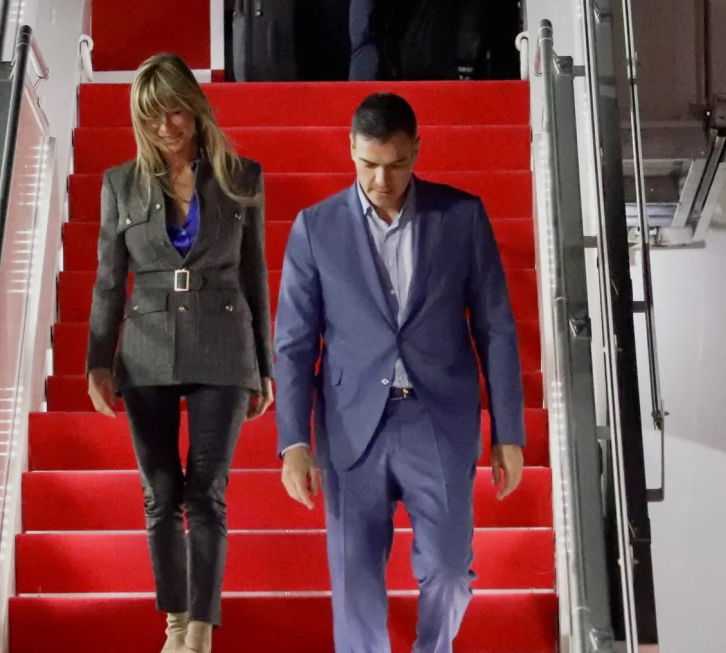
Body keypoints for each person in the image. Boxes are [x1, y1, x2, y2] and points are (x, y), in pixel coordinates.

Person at [273, 92, 526, 653]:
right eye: (368, 164)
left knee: (450, 570)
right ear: (351, 151)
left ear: (417, 150)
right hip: (349, 423)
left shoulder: (461, 216)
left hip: (437, 418)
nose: (381, 180)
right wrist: (292, 441)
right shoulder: (316, 227)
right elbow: (292, 342)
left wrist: (508, 432)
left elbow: (497, 328)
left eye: (396, 164)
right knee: (355, 585)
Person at [86, 52, 275, 653]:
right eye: (152, 115)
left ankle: (200, 629)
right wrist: (97, 359)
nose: (167, 125)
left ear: (195, 106)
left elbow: (255, 273)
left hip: (223, 344)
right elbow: (109, 279)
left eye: (175, 110)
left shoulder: (242, 176)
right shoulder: (121, 184)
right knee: (161, 492)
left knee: (207, 490)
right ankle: (173, 620)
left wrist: (264, 367)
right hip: (146, 351)